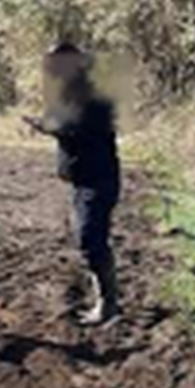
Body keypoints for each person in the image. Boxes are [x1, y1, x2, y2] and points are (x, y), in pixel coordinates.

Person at [25, 43, 123, 326]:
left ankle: (108, 304)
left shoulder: (96, 97)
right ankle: (107, 297)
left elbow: (78, 129)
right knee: (91, 240)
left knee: (89, 240)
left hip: (98, 181)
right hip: (84, 181)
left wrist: (48, 127)